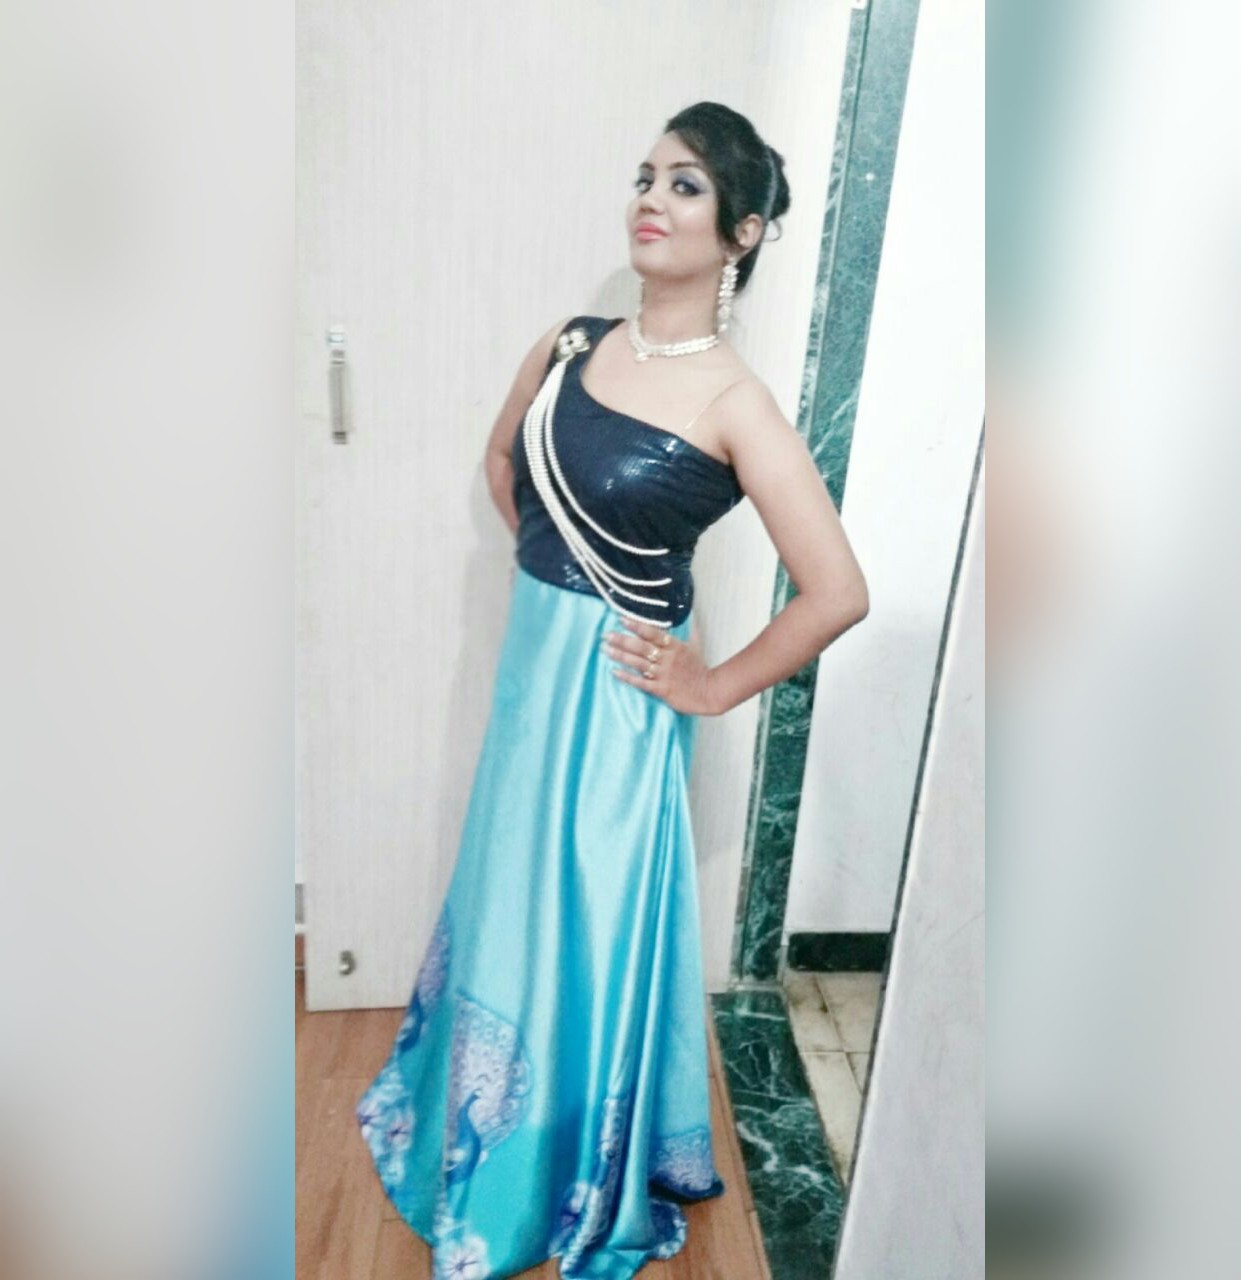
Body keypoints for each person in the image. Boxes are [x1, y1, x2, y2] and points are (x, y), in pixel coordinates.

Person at [355, 101, 869, 1280]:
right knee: (508, 893)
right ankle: (476, 1123)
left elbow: (835, 589)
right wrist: (558, 586)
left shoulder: (735, 403)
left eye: (686, 185)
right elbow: (502, 459)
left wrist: (710, 683)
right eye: (646, 174)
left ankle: (552, 1164)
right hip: (527, 686)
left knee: (581, 913)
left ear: (740, 232)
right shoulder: (568, 344)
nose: (650, 198)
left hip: (617, 713)